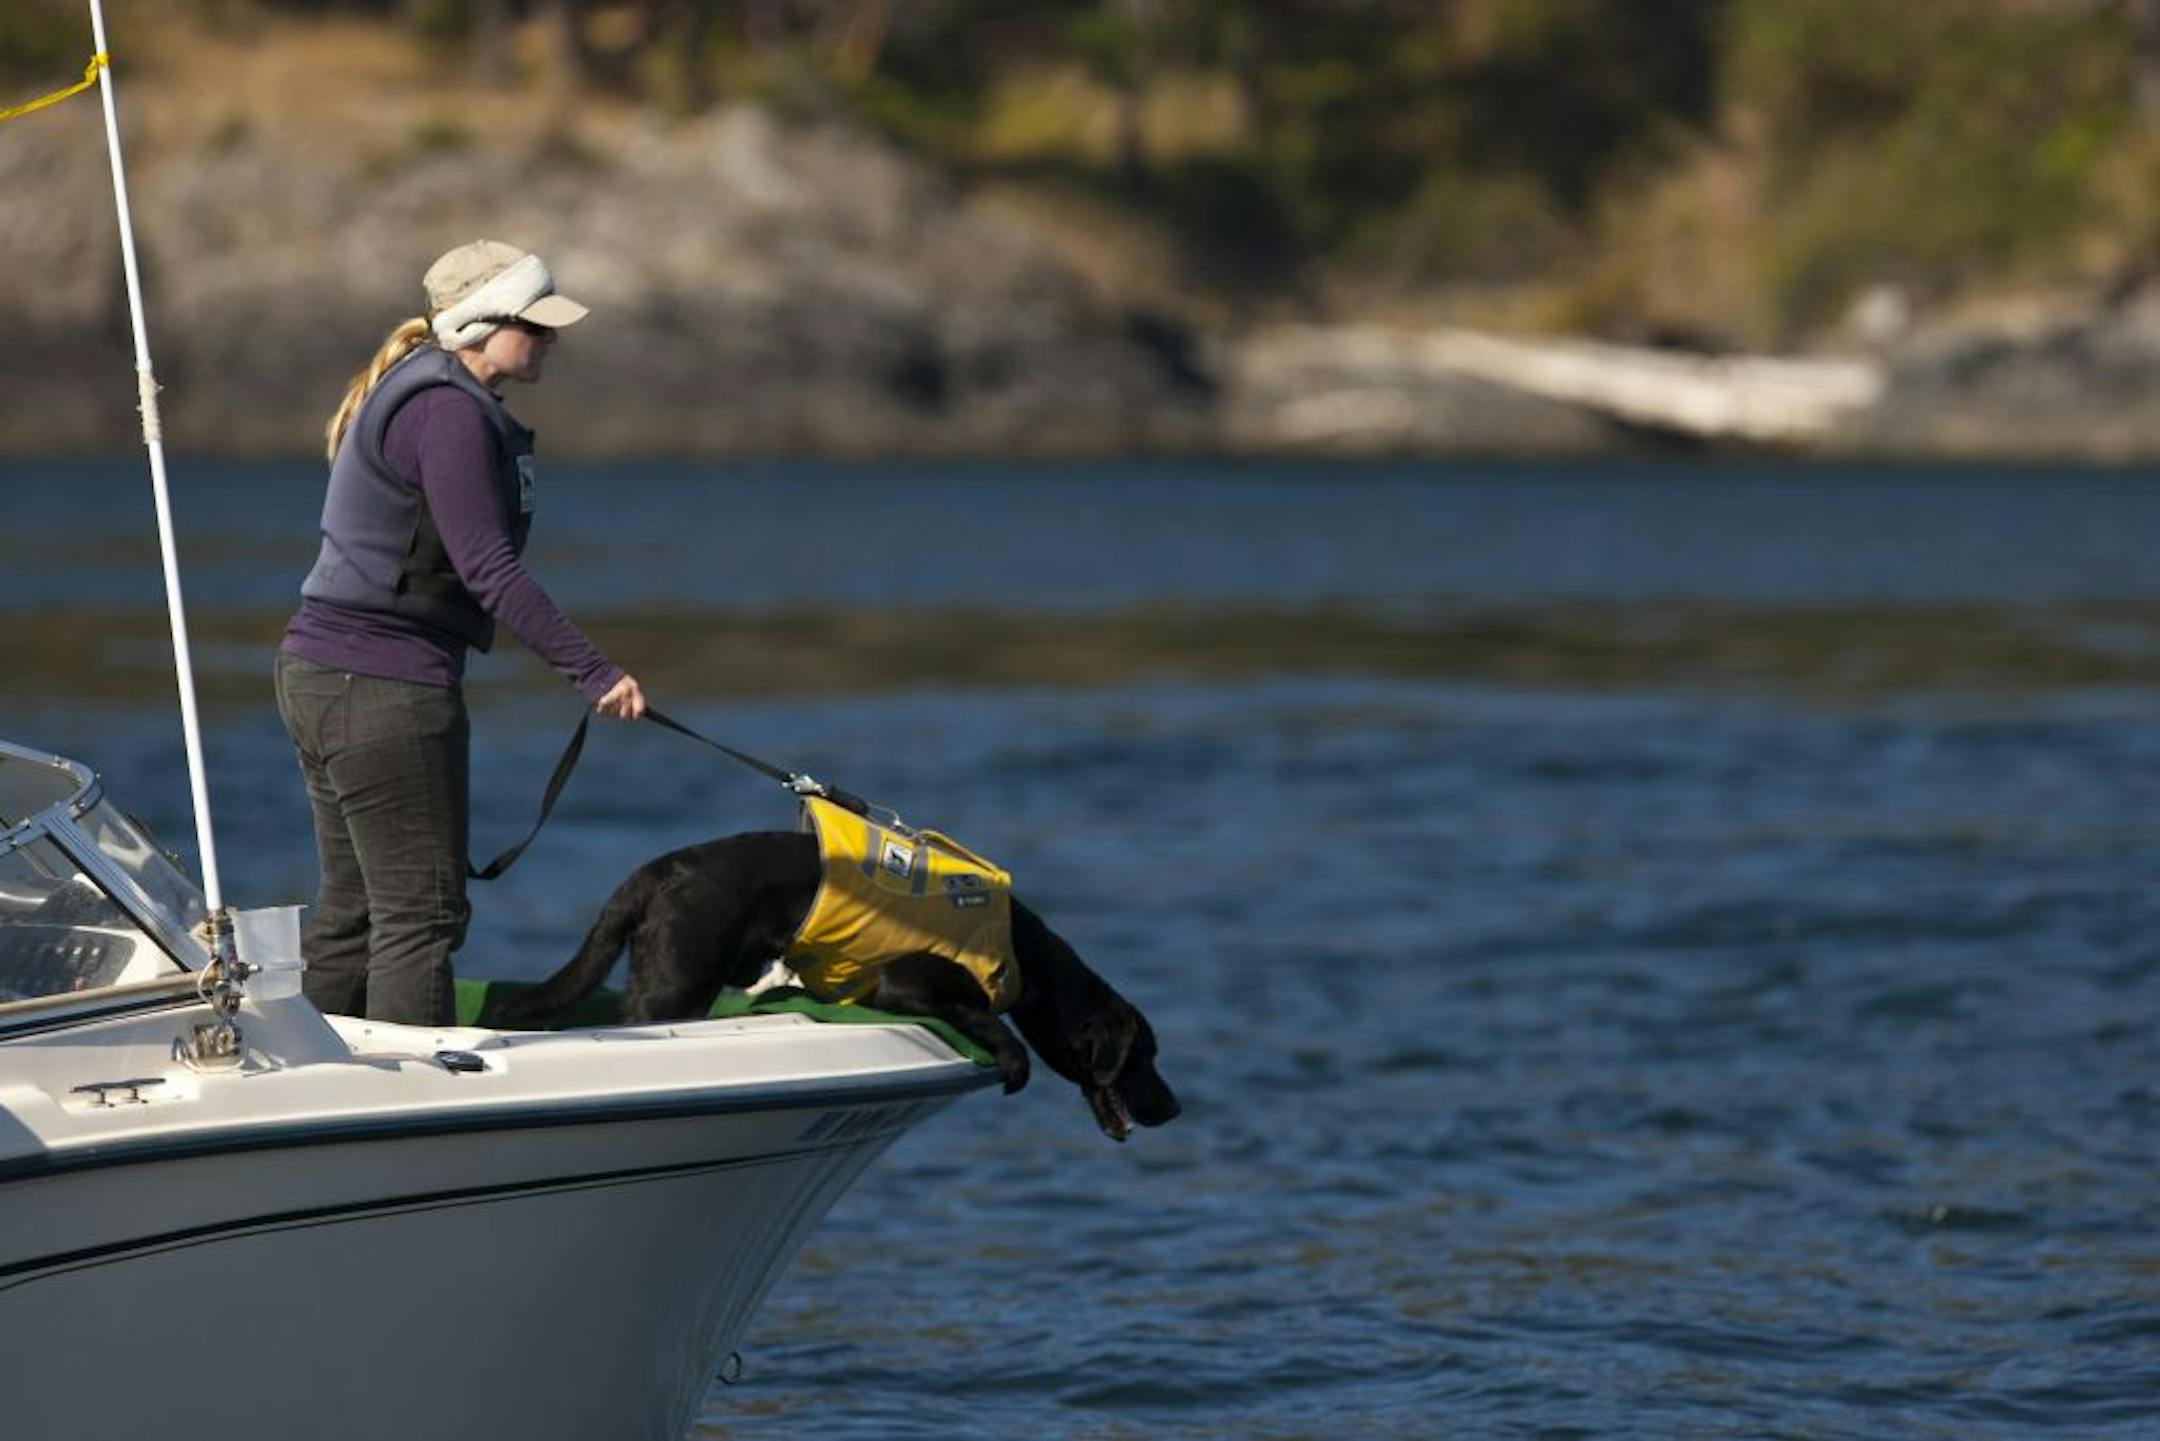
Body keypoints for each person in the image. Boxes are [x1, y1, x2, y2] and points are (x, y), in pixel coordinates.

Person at [274, 239, 646, 1026]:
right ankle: (408, 1103)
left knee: (356, 912)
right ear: (481, 324)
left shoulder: (426, 391)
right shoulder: (448, 413)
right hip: (382, 687)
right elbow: (490, 572)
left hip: (322, 673)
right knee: (421, 916)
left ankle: (298, 1075)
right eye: (536, 326)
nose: (551, 339)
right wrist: (596, 673)